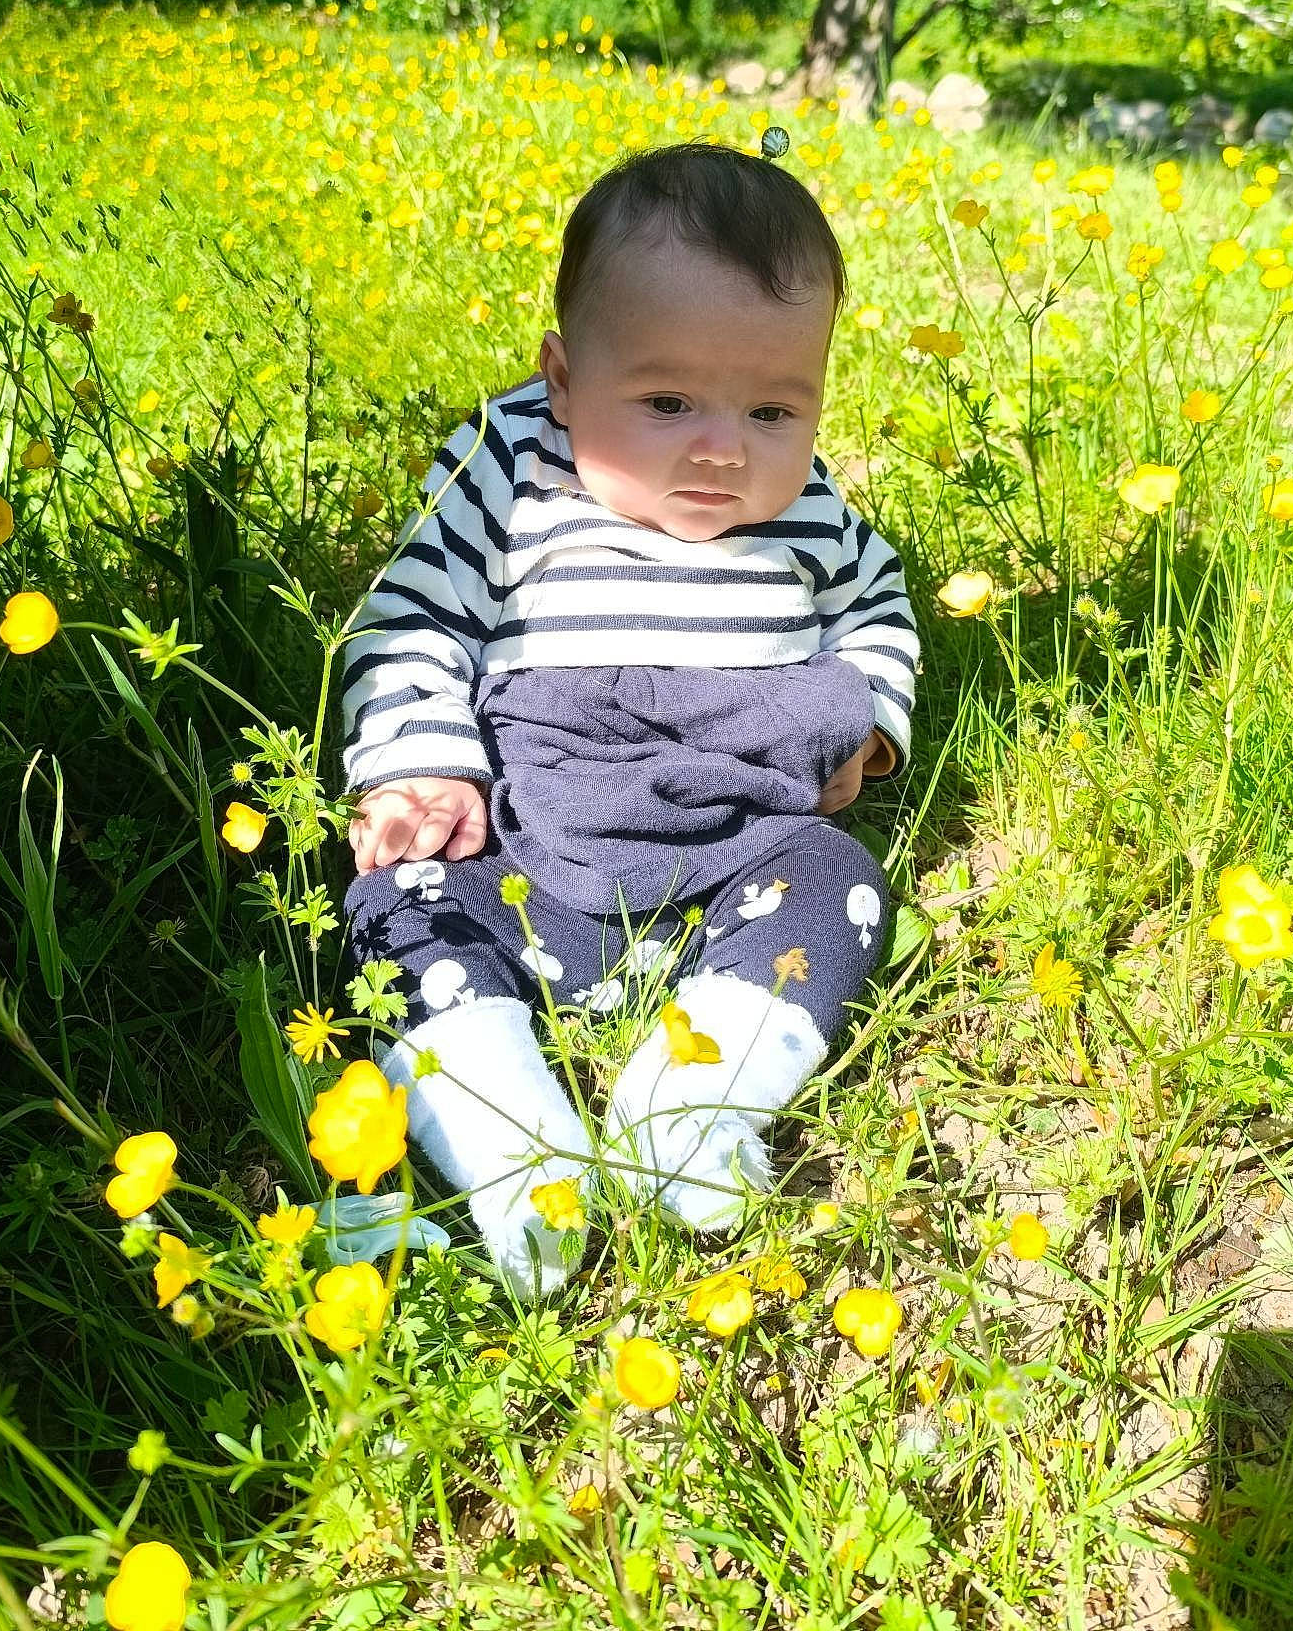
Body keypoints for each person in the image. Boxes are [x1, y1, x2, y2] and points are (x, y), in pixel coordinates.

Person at [336, 139, 919, 1296]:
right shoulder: (512, 466)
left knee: (837, 880)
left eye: (772, 406)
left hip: (735, 840)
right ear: (562, 377)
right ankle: (509, 1141)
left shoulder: (810, 503)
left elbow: (879, 607)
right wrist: (424, 769)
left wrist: (871, 721)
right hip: (524, 841)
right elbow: (410, 617)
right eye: (665, 401)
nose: (721, 445)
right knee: (392, 909)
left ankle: (688, 1105)